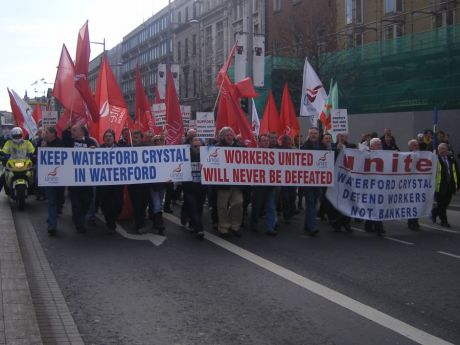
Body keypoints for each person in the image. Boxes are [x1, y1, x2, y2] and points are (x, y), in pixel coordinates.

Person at [62, 124, 98, 233]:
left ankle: (80, 217)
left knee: (87, 201)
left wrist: (94, 150)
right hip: (74, 178)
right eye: (72, 130)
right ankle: (79, 224)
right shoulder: (70, 142)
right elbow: (64, 136)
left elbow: (99, 156)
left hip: (87, 179)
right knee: (76, 203)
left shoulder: (90, 141)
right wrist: (67, 127)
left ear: (82, 131)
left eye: (74, 130)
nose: (72, 132)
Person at [215, 127, 243, 238]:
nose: (229, 137)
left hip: (236, 182)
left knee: (238, 203)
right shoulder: (217, 148)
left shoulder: (240, 148)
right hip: (224, 182)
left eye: (231, 135)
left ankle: (235, 226)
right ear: (222, 137)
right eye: (227, 135)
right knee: (222, 205)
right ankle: (223, 227)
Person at [97, 129, 124, 234]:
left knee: (118, 205)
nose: (108, 138)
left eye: (110, 136)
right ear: (104, 139)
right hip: (104, 184)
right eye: (106, 136)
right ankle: (110, 224)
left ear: (114, 138)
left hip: (117, 183)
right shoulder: (99, 149)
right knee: (106, 205)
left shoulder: (120, 149)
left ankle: (113, 219)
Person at [301, 127, 326, 237]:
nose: (313, 135)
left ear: (319, 134)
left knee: (314, 203)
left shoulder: (323, 146)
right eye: (311, 133)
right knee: (310, 203)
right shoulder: (304, 147)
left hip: (318, 180)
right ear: (308, 134)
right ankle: (312, 227)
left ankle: (307, 224)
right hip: (307, 180)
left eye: (315, 133)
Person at [250, 134, 278, 236]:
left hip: (270, 184)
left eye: (267, 140)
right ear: (259, 142)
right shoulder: (254, 152)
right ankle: (254, 223)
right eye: (264, 140)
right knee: (257, 206)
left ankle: (270, 227)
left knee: (270, 206)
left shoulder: (274, 153)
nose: (266, 142)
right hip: (258, 185)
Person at [41, 127, 65, 236]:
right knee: (52, 202)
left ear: (53, 134)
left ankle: (55, 214)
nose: (44, 134)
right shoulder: (42, 143)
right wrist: (42, 148)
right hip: (48, 178)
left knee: (59, 200)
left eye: (46, 133)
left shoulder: (60, 144)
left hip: (60, 178)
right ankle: (52, 225)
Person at [181, 137, 207, 238]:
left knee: (199, 207)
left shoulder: (207, 156)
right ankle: (199, 229)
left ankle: (192, 223)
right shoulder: (186, 156)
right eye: (195, 146)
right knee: (193, 207)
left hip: (201, 188)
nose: (198, 148)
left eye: (200, 146)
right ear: (191, 147)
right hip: (189, 187)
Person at [127, 130, 151, 234]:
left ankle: (138, 220)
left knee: (143, 203)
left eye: (137, 137)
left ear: (142, 138)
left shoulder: (147, 148)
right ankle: (140, 225)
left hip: (145, 183)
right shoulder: (127, 148)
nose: (135, 139)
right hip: (133, 183)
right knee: (137, 204)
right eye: (133, 137)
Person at [0, 127, 35, 193]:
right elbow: (4, 151)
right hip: (12, 164)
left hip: (25, 164)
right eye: (15, 136)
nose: (17, 137)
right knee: (2, 176)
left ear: (21, 135)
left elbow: (33, 151)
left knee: (36, 175)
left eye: (18, 135)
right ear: (12, 136)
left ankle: (38, 193)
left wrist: (32, 155)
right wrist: (3, 154)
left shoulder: (27, 143)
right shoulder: (9, 143)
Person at [431, 143, 459, 227]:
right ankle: (444, 221)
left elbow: (456, 172)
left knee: (446, 203)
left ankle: (434, 212)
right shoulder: (435, 159)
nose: (442, 151)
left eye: (444, 149)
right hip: (440, 186)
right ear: (438, 150)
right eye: (440, 149)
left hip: (450, 185)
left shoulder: (451, 159)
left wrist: (458, 185)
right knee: (441, 204)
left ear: (447, 150)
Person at [364, 138, 385, 236]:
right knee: (373, 205)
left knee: (378, 205)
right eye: (377, 144)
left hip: (380, 185)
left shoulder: (385, 156)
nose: (379, 146)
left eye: (380, 144)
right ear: (371, 146)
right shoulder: (366, 155)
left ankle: (370, 225)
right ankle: (378, 227)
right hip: (370, 185)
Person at [407, 139, 421, 231]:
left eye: (417, 145)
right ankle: (411, 222)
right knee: (411, 204)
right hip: (410, 184)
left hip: (419, 184)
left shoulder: (422, 156)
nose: (417, 146)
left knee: (417, 204)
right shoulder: (407, 156)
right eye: (415, 145)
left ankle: (415, 221)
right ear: (410, 147)